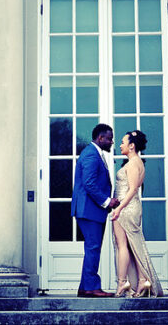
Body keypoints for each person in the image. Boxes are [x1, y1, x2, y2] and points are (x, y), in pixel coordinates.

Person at [110, 130, 164, 297]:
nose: (120, 145)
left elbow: (133, 189)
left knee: (122, 246)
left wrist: (119, 208)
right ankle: (141, 281)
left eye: (123, 142)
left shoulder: (134, 163)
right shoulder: (136, 162)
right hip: (129, 207)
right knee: (133, 246)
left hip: (126, 208)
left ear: (132, 146)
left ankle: (123, 282)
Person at [71, 123, 120, 297]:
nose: (112, 142)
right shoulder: (91, 155)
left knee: (92, 248)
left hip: (91, 210)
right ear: (100, 138)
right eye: (109, 138)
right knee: (93, 248)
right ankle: (91, 288)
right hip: (89, 210)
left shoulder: (93, 153)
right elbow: (89, 183)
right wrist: (107, 201)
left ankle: (85, 287)